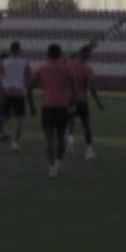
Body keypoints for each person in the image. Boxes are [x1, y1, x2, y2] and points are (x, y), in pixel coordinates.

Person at [27, 43, 74, 178]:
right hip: (62, 107)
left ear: (48, 54)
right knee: (61, 138)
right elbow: (74, 90)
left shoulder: (42, 68)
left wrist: (32, 107)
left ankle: (52, 168)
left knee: (49, 140)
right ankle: (58, 165)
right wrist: (72, 105)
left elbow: (29, 89)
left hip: (47, 107)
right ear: (60, 54)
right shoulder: (67, 68)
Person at [66, 46, 105, 160]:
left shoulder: (68, 65)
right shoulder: (87, 69)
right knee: (86, 126)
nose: (90, 56)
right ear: (86, 55)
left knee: (70, 125)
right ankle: (88, 151)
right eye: (89, 54)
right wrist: (98, 103)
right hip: (82, 101)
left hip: (70, 100)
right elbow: (92, 88)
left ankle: (70, 148)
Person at [0, 42, 31, 153]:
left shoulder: (4, 62)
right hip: (19, 93)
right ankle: (15, 144)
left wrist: (4, 86)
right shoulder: (25, 63)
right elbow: (28, 78)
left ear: (10, 50)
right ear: (19, 50)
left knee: (2, 117)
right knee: (20, 120)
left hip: (7, 92)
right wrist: (24, 87)